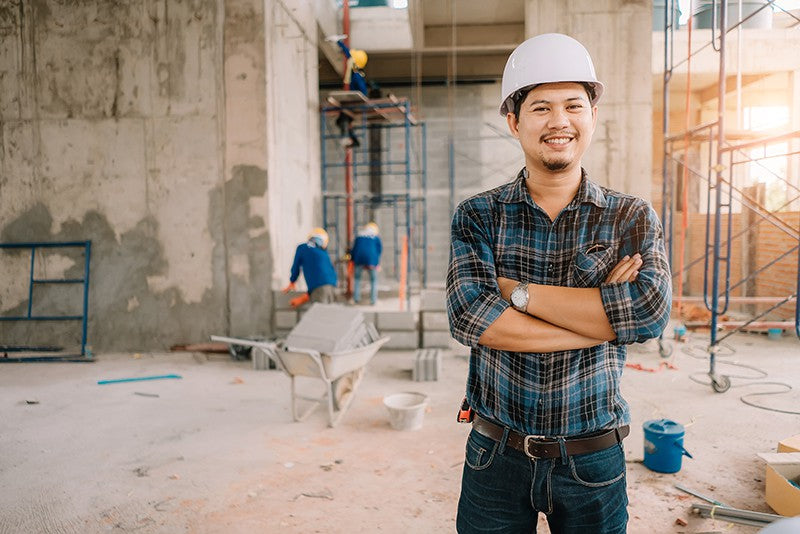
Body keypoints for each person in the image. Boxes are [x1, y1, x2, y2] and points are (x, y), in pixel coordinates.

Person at [446, 33, 672, 533]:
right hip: (495, 456)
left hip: (593, 458)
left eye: (573, 105)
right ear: (514, 121)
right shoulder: (479, 216)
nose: (559, 122)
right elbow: (469, 318)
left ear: (592, 115)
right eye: (541, 107)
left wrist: (516, 295)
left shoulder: (629, 217)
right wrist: (605, 320)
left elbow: (650, 312)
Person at [326, 34, 369, 148]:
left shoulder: (357, 76)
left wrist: (357, 98)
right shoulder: (356, 72)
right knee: (342, 120)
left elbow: (363, 92)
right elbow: (349, 56)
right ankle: (353, 140)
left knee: (343, 119)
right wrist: (338, 42)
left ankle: (347, 138)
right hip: (352, 102)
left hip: (354, 102)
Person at [284, 228, 337, 306]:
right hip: (332, 285)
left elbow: (296, 266)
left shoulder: (303, 247)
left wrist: (292, 282)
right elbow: (327, 272)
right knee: (329, 314)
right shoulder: (323, 253)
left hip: (319, 287)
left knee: (320, 315)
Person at [350, 222, 382, 305]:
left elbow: (354, 250)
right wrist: (376, 263)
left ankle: (356, 299)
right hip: (371, 260)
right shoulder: (375, 238)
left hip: (359, 259)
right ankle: (373, 300)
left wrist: (352, 260)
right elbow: (378, 251)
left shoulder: (359, 236)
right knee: (373, 280)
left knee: (357, 279)